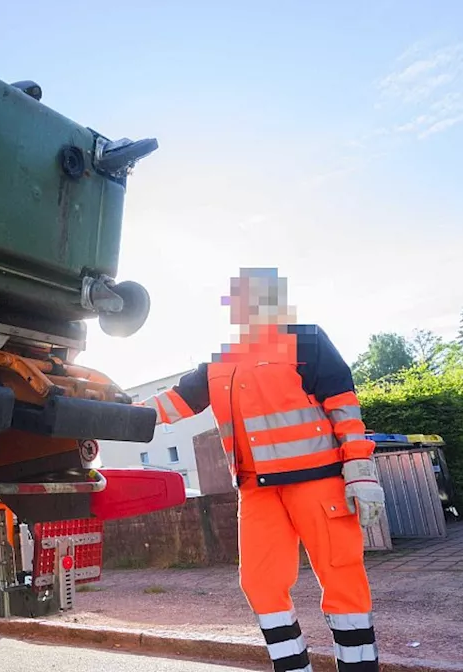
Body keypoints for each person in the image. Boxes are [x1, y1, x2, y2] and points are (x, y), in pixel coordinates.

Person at [135, 268, 385, 672]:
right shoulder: (219, 364)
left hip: (319, 481)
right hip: (257, 491)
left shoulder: (305, 338)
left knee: (342, 579)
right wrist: (115, 415)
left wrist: (359, 468)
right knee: (260, 584)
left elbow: (343, 405)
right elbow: (173, 403)